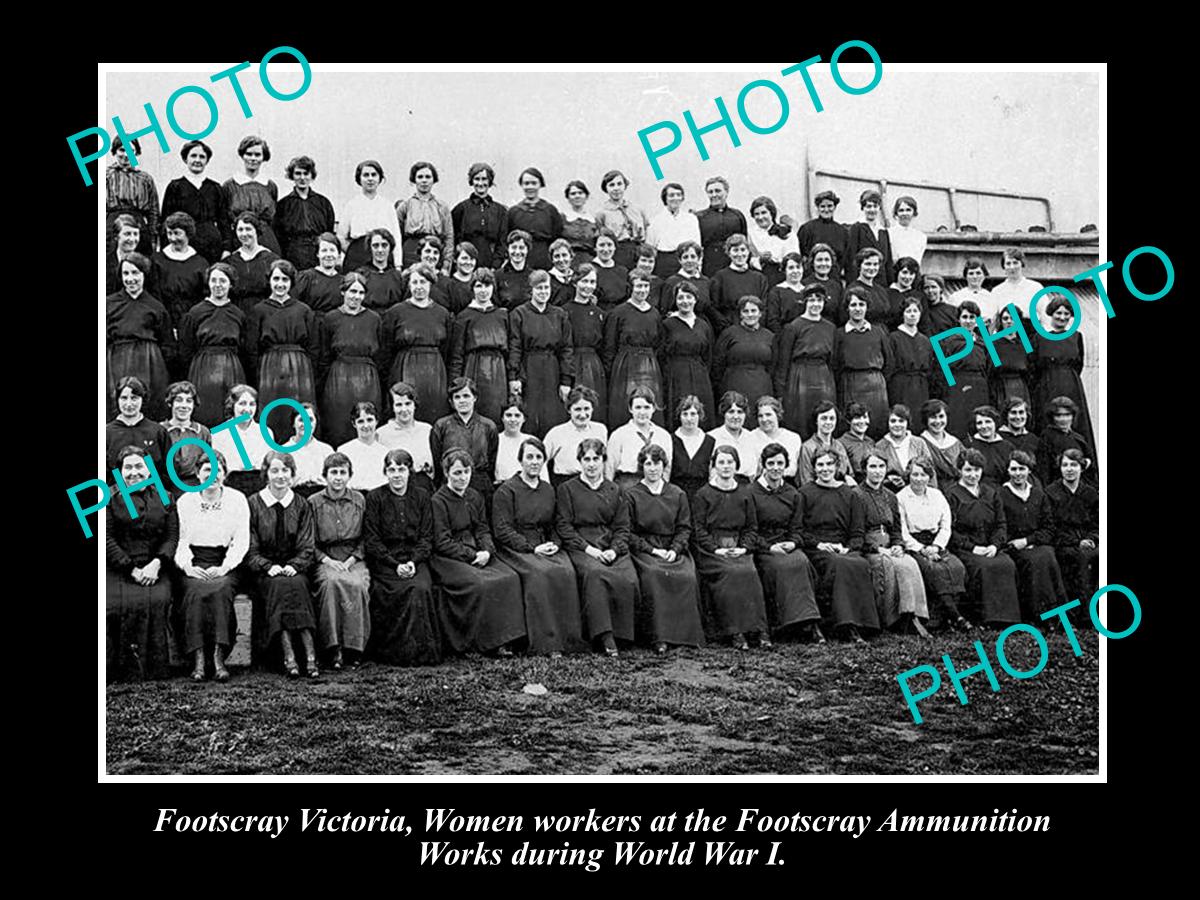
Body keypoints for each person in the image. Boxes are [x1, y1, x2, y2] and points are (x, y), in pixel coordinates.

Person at [492, 438, 585, 656]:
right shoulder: (507, 491)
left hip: (546, 544)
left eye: (539, 457)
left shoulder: (548, 489)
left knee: (566, 571)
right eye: (529, 457)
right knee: (540, 574)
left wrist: (555, 543)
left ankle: (568, 640)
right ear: (520, 460)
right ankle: (547, 643)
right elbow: (502, 530)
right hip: (517, 547)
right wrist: (531, 548)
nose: (534, 462)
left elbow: (556, 522)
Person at [432, 449, 526, 656]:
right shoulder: (438, 501)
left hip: (478, 550)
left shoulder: (474, 496)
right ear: (447, 473)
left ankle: (505, 640)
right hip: (449, 556)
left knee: (509, 577)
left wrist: (486, 550)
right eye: (457, 473)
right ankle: (480, 643)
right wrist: (471, 555)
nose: (463, 477)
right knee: (479, 583)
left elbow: (483, 528)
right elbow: (442, 541)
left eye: (466, 472)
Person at [555, 438, 641, 657]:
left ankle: (624, 634)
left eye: (596, 459)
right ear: (580, 461)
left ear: (603, 461)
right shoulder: (567, 489)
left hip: (610, 544)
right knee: (596, 574)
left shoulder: (614, 489)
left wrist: (614, 549)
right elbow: (564, 526)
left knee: (627, 576)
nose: (591, 464)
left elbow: (622, 526)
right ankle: (604, 635)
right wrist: (589, 550)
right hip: (582, 545)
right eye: (586, 459)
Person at [174, 451, 249, 681]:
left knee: (221, 589)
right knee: (195, 591)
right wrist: (188, 567)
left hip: (225, 562)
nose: (213, 475)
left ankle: (218, 657)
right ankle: (197, 659)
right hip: (194, 561)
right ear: (198, 474)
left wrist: (225, 567)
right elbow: (180, 539)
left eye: (218, 470)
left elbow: (241, 540)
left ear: (225, 474)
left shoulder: (237, 499)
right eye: (207, 469)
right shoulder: (186, 501)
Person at [106, 446, 178, 681]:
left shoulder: (166, 497)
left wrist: (157, 563)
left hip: (156, 567)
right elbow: (106, 539)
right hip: (119, 568)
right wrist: (131, 568)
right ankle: (119, 669)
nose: (134, 472)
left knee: (158, 599)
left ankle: (154, 668)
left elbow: (171, 536)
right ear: (119, 471)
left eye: (139, 466)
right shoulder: (108, 497)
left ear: (149, 471)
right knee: (116, 602)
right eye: (128, 467)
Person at [363, 449, 441, 665]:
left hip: (415, 560)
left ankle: (419, 654)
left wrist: (412, 562)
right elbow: (372, 540)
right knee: (385, 591)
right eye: (391, 470)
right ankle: (391, 653)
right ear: (385, 472)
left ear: (410, 471)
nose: (396, 475)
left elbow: (426, 537)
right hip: (385, 561)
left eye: (401, 469)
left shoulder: (422, 497)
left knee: (420, 588)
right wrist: (394, 564)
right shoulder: (375, 497)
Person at [625, 443, 705, 653]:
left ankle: (686, 636)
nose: (653, 468)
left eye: (657, 463)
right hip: (646, 550)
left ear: (664, 466)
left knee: (687, 575)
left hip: (672, 547)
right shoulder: (632, 495)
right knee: (654, 575)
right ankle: (660, 636)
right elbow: (629, 532)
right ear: (642, 466)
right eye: (648, 463)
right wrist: (652, 550)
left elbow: (684, 527)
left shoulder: (677, 494)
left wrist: (675, 549)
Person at [246, 451, 319, 677]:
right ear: (266, 474)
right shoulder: (253, 503)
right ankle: (288, 655)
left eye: (285, 471)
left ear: (293, 474)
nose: (280, 476)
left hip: (294, 568)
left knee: (296, 585)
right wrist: (267, 566)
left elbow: (308, 545)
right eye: (274, 470)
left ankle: (309, 655)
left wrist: (295, 565)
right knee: (279, 586)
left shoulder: (301, 504)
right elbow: (249, 546)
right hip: (263, 571)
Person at [691, 445, 769, 649]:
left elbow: (752, 528)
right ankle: (735, 631)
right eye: (721, 462)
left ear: (736, 465)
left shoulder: (745, 494)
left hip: (739, 548)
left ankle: (759, 629)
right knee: (731, 571)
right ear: (714, 466)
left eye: (730, 462)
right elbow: (699, 530)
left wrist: (744, 548)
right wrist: (716, 549)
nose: (726, 467)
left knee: (749, 571)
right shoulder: (703, 494)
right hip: (712, 551)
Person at [797, 447, 877, 641]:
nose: (825, 469)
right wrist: (819, 544)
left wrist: (847, 547)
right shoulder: (804, 493)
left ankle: (860, 624)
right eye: (820, 465)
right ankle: (845, 625)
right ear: (814, 468)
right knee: (839, 564)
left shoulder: (850, 495)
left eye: (829, 464)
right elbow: (799, 530)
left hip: (843, 547)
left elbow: (857, 532)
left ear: (837, 466)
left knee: (859, 563)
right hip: (816, 548)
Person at [750, 442, 823, 642]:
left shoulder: (792, 493)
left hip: (787, 545)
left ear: (786, 465)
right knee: (779, 567)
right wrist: (768, 546)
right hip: (763, 547)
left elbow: (797, 528)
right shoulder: (751, 493)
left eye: (780, 463)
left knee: (802, 562)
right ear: (763, 465)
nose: (775, 468)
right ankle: (785, 624)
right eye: (771, 463)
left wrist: (793, 542)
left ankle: (809, 621)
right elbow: (749, 530)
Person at [309, 452, 372, 670]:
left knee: (357, 585)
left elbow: (367, 536)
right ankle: (332, 647)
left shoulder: (359, 501)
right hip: (325, 558)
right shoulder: (314, 503)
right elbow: (308, 540)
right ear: (325, 476)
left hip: (353, 557)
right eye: (333, 473)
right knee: (330, 584)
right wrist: (325, 559)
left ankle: (354, 648)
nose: (338, 478)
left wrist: (353, 558)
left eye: (342, 473)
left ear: (349, 475)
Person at [946, 448, 1021, 626]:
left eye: (977, 470)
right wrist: (972, 548)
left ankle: (1009, 618)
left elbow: (1001, 524)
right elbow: (949, 530)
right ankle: (988, 618)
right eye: (968, 470)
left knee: (1006, 563)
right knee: (983, 567)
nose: (973, 475)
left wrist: (995, 545)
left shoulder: (991, 493)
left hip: (990, 546)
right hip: (966, 548)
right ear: (960, 471)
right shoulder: (951, 494)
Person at [856, 452, 930, 635]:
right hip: (869, 547)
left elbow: (896, 529)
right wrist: (876, 549)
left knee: (909, 563)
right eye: (872, 467)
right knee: (887, 565)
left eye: (881, 467)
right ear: (865, 469)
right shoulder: (856, 495)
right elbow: (856, 531)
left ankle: (913, 615)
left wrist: (898, 544)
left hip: (889, 545)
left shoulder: (890, 496)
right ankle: (890, 619)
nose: (877, 471)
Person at [246, 258, 318, 439]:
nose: (280, 284)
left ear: (291, 282)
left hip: (299, 369)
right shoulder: (258, 310)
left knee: (298, 409)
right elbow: (251, 348)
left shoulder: (304, 310)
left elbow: (314, 346)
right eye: (276, 279)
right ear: (269, 281)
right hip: (270, 368)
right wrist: (259, 372)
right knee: (273, 411)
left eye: (285, 280)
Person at [897, 457, 969, 630]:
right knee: (934, 570)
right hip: (915, 544)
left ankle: (947, 617)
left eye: (923, 475)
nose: (919, 479)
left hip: (937, 543)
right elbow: (902, 531)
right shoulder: (901, 497)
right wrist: (922, 549)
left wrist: (936, 546)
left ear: (929, 477)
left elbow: (946, 524)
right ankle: (956, 617)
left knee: (956, 567)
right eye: (915, 474)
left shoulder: (937, 495)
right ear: (909, 475)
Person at [315, 271, 383, 447]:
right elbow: (323, 356)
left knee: (366, 423)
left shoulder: (374, 319)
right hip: (339, 380)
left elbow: (381, 355)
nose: (356, 297)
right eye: (352, 291)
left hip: (368, 379)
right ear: (343, 292)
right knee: (339, 426)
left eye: (360, 293)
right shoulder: (331, 318)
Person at [999, 450, 1067, 620]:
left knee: (1048, 555)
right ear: (1007, 471)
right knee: (1036, 560)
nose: (1018, 474)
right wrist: (1016, 543)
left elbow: (1049, 527)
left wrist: (1029, 540)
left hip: (1037, 543)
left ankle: (1058, 615)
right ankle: (1041, 616)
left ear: (1029, 470)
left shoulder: (1038, 494)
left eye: (1022, 469)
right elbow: (1000, 526)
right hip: (1013, 547)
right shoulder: (1000, 495)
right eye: (1013, 469)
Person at [107, 253, 175, 422]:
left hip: (150, 364)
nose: (130, 279)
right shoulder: (109, 304)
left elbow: (168, 344)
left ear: (144, 274)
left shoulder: (156, 307)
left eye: (135, 273)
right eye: (126, 274)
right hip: (117, 361)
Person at [382, 262, 453, 423]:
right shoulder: (396, 312)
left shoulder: (442, 314)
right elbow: (386, 351)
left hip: (435, 375)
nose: (419, 286)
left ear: (431, 284)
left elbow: (447, 349)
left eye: (423, 282)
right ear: (408, 284)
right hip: (404, 370)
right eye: (414, 282)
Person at [507, 269, 573, 438]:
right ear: (531, 291)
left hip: (552, 370)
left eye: (546, 288)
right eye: (539, 288)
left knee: (552, 416)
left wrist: (566, 380)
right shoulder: (519, 314)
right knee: (530, 415)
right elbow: (515, 346)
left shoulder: (559, 315)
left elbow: (566, 348)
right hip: (529, 369)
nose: (543, 292)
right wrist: (514, 377)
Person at [1033, 296, 1096, 456]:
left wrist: (1068, 378)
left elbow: (1078, 364)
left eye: (1066, 314)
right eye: (1058, 313)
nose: (1062, 317)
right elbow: (1034, 366)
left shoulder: (1076, 337)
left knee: (1073, 424)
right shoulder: (1040, 337)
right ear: (1051, 314)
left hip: (1071, 386)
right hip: (1047, 386)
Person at [774, 284, 837, 438]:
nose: (816, 304)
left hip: (823, 376)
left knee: (823, 416)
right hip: (800, 376)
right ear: (805, 303)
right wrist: (780, 392)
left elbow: (833, 360)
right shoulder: (794, 327)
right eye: (811, 300)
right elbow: (783, 362)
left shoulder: (830, 328)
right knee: (801, 417)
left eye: (819, 300)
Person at [448, 268, 509, 424]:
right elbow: (457, 354)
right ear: (472, 288)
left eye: (487, 285)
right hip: (473, 368)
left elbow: (510, 351)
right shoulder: (464, 316)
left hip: (498, 372)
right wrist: (456, 384)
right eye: (479, 286)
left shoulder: (502, 315)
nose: (483, 291)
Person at [604, 271, 664, 426]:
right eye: (638, 286)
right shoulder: (619, 312)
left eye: (646, 286)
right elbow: (610, 345)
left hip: (649, 364)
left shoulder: (654, 314)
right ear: (631, 287)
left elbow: (659, 343)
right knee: (624, 405)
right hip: (625, 364)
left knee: (650, 403)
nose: (642, 290)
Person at [160, 139, 229, 264]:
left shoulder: (215, 188)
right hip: (184, 244)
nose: (197, 160)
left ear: (207, 161)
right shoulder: (175, 187)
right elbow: (166, 220)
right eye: (193, 156)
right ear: (185, 159)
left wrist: (226, 249)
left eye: (202, 157)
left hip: (212, 246)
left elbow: (224, 221)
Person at [835, 288, 892, 438]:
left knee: (876, 424)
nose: (858, 309)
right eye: (853, 305)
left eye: (862, 304)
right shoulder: (840, 334)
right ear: (847, 308)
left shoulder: (878, 332)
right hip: (850, 383)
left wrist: (877, 379)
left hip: (875, 385)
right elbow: (835, 363)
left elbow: (890, 362)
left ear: (867, 307)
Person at [430, 377, 500, 498]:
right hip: (451, 484)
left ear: (474, 398)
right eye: (457, 397)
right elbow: (437, 459)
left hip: (480, 485)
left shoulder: (488, 426)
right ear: (451, 401)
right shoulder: (441, 426)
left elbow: (492, 459)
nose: (462, 401)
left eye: (466, 396)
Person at [658, 280, 714, 430]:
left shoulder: (703, 325)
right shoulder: (667, 324)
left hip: (700, 376)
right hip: (676, 376)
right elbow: (661, 354)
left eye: (689, 297)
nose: (685, 302)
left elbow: (709, 355)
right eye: (681, 298)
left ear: (695, 299)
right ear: (675, 300)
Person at [1045, 448, 1099, 602]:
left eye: (1074, 465)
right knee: (1079, 559)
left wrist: (1092, 538)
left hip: (1089, 540)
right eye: (1065, 465)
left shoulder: (1090, 493)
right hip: (1064, 543)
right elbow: (1051, 526)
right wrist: (1076, 542)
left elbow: (1098, 523)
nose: (1069, 469)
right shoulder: (1050, 492)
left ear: (1081, 467)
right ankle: (1081, 612)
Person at [713, 295, 774, 428]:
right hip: (735, 384)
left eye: (754, 311)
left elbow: (774, 365)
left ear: (760, 313)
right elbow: (718, 363)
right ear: (740, 314)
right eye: (745, 311)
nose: (750, 315)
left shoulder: (769, 336)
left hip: (762, 386)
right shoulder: (729, 334)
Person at [563, 264, 609, 425]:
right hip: (574, 364)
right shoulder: (564, 311)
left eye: (592, 282)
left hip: (594, 366)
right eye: (584, 281)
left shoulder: (599, 313)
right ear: (575, 282)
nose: (588, 286)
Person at [274, 155, 335, 270]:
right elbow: (278, 234)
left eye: (306, 173)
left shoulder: (323, 203)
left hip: (318, 254)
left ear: (312, 176)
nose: (302, 178)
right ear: (292, 176)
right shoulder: (283, 205)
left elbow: (329, 233)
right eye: (298, 173)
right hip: (293, 255)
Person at [210, 384, 273, 496]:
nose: (247, 409)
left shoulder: (266, 432)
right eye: (242, 404)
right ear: (232, 405)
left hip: (260, 489)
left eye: (252, 404)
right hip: (230, 488)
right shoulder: (219, 434)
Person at [150, 211, 209, 329]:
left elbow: (204, 296)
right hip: (163, 320)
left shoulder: (200, 263)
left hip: (192, 322)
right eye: (169, 233)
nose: (172, 238)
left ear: (188, 233)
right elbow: (154, 293)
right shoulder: (157, 260)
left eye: (177, 233)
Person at [606, 386, 673, 491]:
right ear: (630, 409)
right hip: (628, 486)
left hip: (655, 486)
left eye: (646, 407)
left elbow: (667, 469)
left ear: (653, 408)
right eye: (638, 407)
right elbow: (609, 468)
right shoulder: (619, 435)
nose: (642, 412)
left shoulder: (663, 435)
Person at [941, 300, 992, 438]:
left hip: (979, 385)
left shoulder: (982, 342)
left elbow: (988, 366)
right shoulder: (950, 341)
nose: (968, 321)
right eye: (964, 317)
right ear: (958, 320)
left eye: (972, 317)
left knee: (978, 419)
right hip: (958, 385)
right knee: (959, 422)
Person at [223, 135, 281, 254]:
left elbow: (274, 220)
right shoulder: (230, 186)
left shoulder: (270, 186)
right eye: (249, 154)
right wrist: (227, 248)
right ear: (242, 156)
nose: (253, 158)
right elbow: (224, 220)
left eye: (257, 155)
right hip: (239, 239)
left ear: (263, 157)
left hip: (266, 240)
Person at [377, 381, 436, 493]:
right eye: (399, 405)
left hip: (425, 491)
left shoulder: (427, 430)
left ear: (415, 405)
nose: (404, 409)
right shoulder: (381, 434)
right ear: (392, 407)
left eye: (408, 403)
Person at [338, 160, 397, 272]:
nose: (370, 179)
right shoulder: (351, 205)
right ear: (359, 179)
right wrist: (355, 252)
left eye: (374, 175)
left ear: (380, 178)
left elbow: (396, 237)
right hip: (357, 257)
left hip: (382, 256)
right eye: (366, 175)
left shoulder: (387, 206)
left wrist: (398, 264)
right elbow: (341, 236)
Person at [107, 379, 172, 479]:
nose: (129, 404)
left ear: (143, 399)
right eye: (124, 398)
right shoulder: (106, 433)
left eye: (134, 398)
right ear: (117, 399)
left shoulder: (158, 431)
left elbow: (169, 471)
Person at [395, 161, 454, 269]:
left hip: (434, 253)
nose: (424, 181)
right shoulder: (405, 206)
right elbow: (396, 236)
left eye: (428, 177)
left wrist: (446, 265)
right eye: (420, 177)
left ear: (433, 180)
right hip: (411, 253)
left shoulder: (442, 206)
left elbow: (449, 237)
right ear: (414, 180)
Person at [544, 386, 607, 487]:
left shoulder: (600, 430)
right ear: (569, 410)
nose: (582, 415)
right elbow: (542, 461)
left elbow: (604, 461)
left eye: (586, 409)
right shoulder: (556, 433)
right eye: (577, 409)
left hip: (593, 484)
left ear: (592, 409)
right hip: (565, 484)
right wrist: (546, 487)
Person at [106, 136, 159, 256]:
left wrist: (152, 236)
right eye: (122, 150)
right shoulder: (105, 177)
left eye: (131, 151)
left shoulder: (145, 179)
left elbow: (153, 211)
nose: (126, 154)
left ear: (137, 153)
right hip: (111, 227)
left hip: (138, 225)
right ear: (114, 152)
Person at [451, 162, 508, 269]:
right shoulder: (461, 209)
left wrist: (495, 266)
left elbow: (502, 242)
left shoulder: (500, 211)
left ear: (490, 181)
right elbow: (453, 239)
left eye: (484, 179)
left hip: (491, 267)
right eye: (477, 179)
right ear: (471, 181)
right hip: (465, 266)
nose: (480, 183)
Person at [159, 381, 213, 489]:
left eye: (188, 401)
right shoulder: (159, 430)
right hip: (166, 487)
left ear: (194, 405)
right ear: (170, 403)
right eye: (179, 400)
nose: (184, 406)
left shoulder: (202, 432)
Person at [710, 235, 768, 333]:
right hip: (730, 329)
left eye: (743, 250)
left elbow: (764, 307)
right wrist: (727, 328)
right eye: (735, 250)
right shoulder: (720, 277)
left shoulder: (759, 278)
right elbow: (714, 307)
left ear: (748, 252)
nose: (740, 254)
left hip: (755, 330)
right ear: (729, 253)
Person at [508, 167, 563, 269]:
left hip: (544, 260)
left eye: (534, 183)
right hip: (520, 260)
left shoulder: (550, 210)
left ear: (540, 185)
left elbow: (557, 237)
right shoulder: (514, 212)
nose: (530, 187)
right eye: (526, 183)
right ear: (521, 185)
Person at [592, 169, 649, 269]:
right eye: (611, 185)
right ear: (606, 188)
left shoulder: (637, 209)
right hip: (618, 252)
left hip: (638, 250)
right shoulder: (602, 213)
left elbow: (646, 230)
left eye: (619, 184)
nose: (616, 188)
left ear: (625, 186)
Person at [874, 403, 937, 492]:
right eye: (893, 421)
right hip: (892, 494)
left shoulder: (919, 443)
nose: (897, 425)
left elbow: (931, 472)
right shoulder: (880, 446)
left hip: (919, 493)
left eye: (901, 421)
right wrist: (889, 480)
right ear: (888, 423)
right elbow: (876, 475)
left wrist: (931, 494)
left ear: (907, 422)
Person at [1037, 396, 1097, 488]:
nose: (1063, 419)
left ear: (1073, 416)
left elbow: (1091, 462)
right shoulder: (1047, 436)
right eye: (1058, 415)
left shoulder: (1078, 437)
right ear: (1052, 417)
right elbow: (1044, 469)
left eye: (1067, 415)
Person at [226, 212, 280, 313]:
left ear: (256, 231)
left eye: (248, 229)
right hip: (237, 312)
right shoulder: (230, 261)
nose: (244, 234)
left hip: (265, 312)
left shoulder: (271, 260)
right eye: (240, 230)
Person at [888, 296, 934, 415]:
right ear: (902, 314)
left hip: (921, 387)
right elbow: (890, 366)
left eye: (915, 311)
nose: (912, 315)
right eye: (908, 311)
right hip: (900, 385)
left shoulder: (925, 340)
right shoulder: (894, 338)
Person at [647, 182, 701, 279]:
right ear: (665, 198)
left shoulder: (691, 219)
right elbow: (651, 247)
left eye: (678, 195)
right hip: (664, 263)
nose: (675, 198)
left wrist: (697, 267)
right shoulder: (655, 220)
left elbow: (697, 246)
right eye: (671, 195)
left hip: (686, 260)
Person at [696, 176, 747, 277]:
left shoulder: (737, 215)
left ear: (726, 192)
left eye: (718, 191)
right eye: (710, 192)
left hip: (734, 265)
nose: (714, 195)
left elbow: (744, 243)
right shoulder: (699, 217)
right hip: (710, 268)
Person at [671, 395, 717, 503]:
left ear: (699, 415)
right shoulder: (671, 439)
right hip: (676, 498)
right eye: (685, 414)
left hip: (702, 498)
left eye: (693, 414)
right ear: (679, 416)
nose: (689, 418)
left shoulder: (710, 441)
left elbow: (712, 475)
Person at [746, 195, 797, 288]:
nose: (760, 217)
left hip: (782, 275)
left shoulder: (786, 231)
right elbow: (750, 259)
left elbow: (795, 257)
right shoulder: (751, 233)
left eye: (764, 213)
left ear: (772, 213)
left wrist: (779, 260)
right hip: (760, 277)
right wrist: (760, 259)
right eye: (756, 214)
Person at [706, 391, 760, 480]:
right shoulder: (711, 438)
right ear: (723, 413)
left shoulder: (752, 438)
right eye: (731, 412)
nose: (736, 416)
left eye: (740, 412)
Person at [337, 401, 389, 492]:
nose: (365, 425)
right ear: (354, 424)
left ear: (376, 421)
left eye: (369, 420)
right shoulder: (344, 451)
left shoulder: (385, 452)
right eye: (360, 421)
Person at [986, 247, 1045, 326]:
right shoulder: (997, 291)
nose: (1012, 267)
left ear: (1022, 264)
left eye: (1015, 262)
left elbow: (1045, 316)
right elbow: (992, 319)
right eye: (1008, 263)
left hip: (1030, 333)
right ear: (1004, 266)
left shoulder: (1035, 288)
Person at [798, 401, 854, 486]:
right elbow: (806, 480)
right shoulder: (807, 447)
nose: (828, 422)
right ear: (816, 421)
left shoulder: (839, 446)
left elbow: (849, 473)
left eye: (832, 418)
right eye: (824, 418)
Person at [796, 190, 849, 279]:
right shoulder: (807, 228)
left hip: (834, 278)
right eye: (822, 206)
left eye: (830, 206)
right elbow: (801, 254)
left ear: (835, 207)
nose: (826, 209)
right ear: (818, 208)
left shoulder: (842, 231)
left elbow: (844, 258)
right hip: (810, 277)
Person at [990, 307, 1035, 410]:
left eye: (1013, 318)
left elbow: (1031, 369)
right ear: (1001, 322)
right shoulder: (994, 344)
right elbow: (990, 372)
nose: (1009, 321)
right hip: (1001, 388)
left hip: (1021, 387)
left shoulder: (1025, 345)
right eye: (1005, 319)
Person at [494, 398, 548, 484]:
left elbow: (543, 472)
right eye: (508, 415)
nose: (513, 419)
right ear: (502, 418)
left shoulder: (531, 441)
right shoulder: (495, 440)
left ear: (524, 419)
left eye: (517, 415)